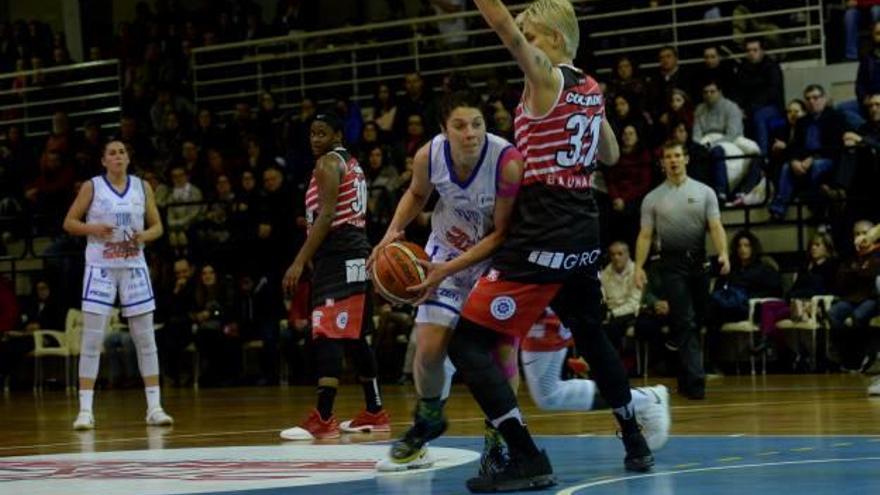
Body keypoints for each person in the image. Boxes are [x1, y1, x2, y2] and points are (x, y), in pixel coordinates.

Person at [417, 1, 655, 491]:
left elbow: (502, 25)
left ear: (548, 38)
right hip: (582, 228)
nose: (522, 41)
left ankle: (526, 456)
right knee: (591, 334)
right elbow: (609, 152)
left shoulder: (545, 77)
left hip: (542, 232)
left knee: (466, 342)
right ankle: (634, 438)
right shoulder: (590, 89)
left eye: (530, 34)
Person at [371, 89, 526, 472]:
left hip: (496, 264)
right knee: (427, 350)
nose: (470, 132)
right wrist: (392, 231)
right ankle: (428, 420)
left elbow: (503, 232)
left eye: (477, 124)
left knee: (503, 357)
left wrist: (448, 271)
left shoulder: (506, 162)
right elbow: (416, 192)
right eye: (459, 125)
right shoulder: (429, 155)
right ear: (444, 129)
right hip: (445, 253)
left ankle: (499, 435)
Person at [279, 113, 389, 440]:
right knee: (353, 335)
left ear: (337, 135)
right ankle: (375, 410)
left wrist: (299, 261)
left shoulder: (328, 163)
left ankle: (324, 416)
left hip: (339, 252)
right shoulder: (352, 164)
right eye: (311, 133)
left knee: (326, 330)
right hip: (354, 250)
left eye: (322, 133)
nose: (315, 139)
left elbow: (327, 215)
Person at [62, 140, 173, 430]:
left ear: (128, 158)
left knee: (145, 338)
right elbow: (70, 222)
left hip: (134, 267)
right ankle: (85, 410)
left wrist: (144, 236)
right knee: (92, 339)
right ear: (103, 160)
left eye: (122, 151)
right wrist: (93, 228)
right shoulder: (92, 187)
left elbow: (157, 226)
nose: (118, 156)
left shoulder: (142, 187)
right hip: (101, 267)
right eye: (112, 152)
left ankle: (154, 407)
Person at [635, 141, 730, 400]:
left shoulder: (705, 192)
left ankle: (685, 375)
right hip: (671, 264)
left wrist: (723, 253)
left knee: (696, 319)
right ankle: (696, 382)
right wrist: (639, 267)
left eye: (678, 155)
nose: (674, 160)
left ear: (686, 159)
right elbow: (645, 235)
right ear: (662, 163)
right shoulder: (653, 198)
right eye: (668, 157)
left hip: (699, 262)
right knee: (685, 320)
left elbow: (716, 226)